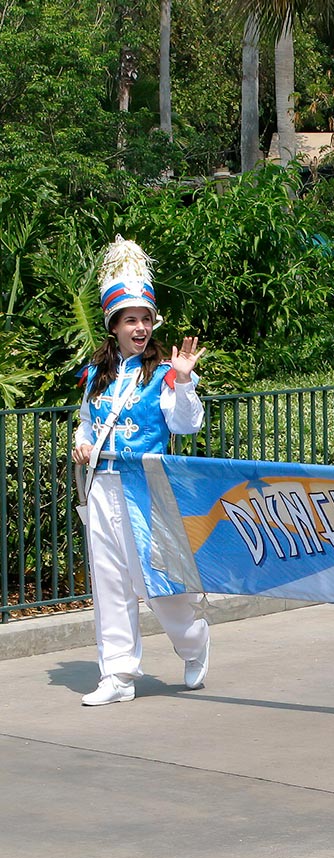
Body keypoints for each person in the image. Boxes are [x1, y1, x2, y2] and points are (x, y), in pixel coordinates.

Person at [72, 236, 210, 707]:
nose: (140, 327)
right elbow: (87, 421)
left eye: (146, 319)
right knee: (110, 583)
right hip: (103, 487)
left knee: (161, 585)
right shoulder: (96, 373)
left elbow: (187, 424)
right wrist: (82, 444)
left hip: (147, 489)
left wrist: (186, 379)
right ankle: (119, 675)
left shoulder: (164, 373)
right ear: (113, 325)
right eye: (131, 319)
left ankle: (193, 644)